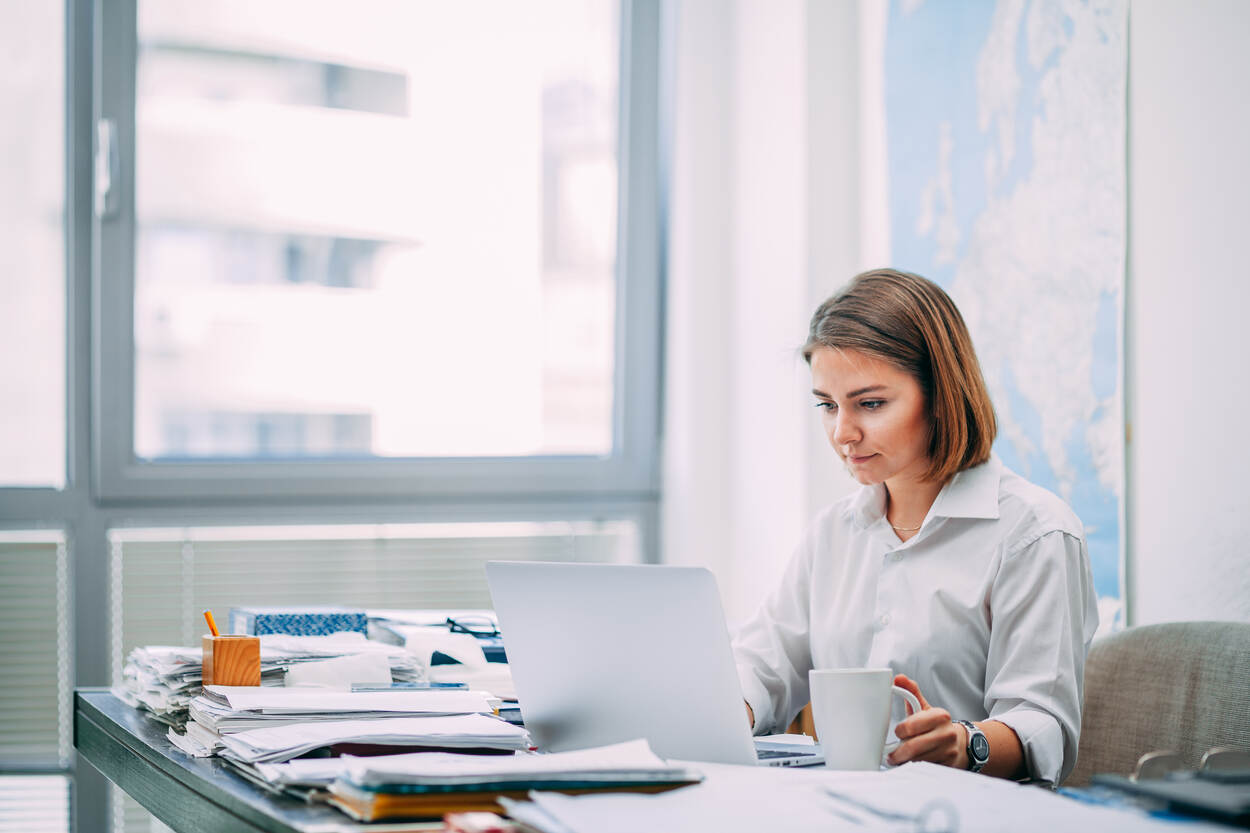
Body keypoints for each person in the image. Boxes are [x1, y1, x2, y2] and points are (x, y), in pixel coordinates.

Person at [732, 268, 1099, 785]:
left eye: (870, 403)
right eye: (827, 405)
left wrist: (964, 742)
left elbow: (1042, 725)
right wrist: (730, 709)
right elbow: (764, 665)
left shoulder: (1034, 533)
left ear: (941, 392)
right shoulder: (833, 534)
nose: (842, 432)